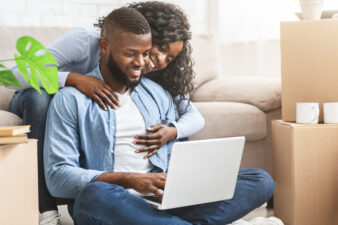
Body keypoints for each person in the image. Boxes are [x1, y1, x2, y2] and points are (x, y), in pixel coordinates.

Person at [44, 7, 275, 225]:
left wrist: (186, 180)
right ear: (104, 46)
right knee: (94, 195)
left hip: (164, 202)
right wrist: (128, 179)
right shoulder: (70, 100)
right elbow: (57, 178)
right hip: (113, 202)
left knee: (260, 180)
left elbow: (178, 148)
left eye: (145, 53)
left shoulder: (158, 94)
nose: (140, 63)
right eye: (131, 54)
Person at [9, 2, 204, 224]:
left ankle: (169, 207)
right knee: (39, 99)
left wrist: (172, 131)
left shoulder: (149, 72)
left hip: (87, 103)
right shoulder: (86, 40)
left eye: (169, 58)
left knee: (251, 179)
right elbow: (17, 74)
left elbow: (194, 116)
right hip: (40, 95)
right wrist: (73, 78)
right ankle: (47, 210)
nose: (160, 60)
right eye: (161, 49)